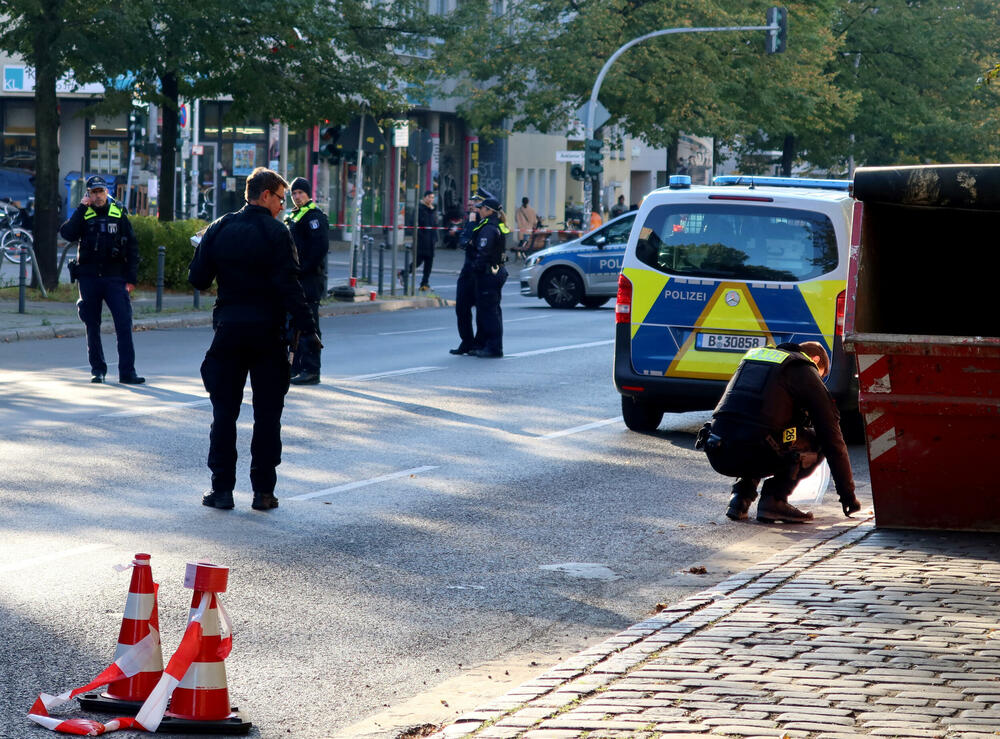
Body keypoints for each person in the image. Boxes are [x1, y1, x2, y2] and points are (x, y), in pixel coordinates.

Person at [189, 167, 320, 512]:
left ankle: (221, 491)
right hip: (267, 335)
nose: (283, 206)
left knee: (223, 415)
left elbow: (198, 278)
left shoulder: (220, 227)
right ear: (265, 195)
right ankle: (263, 493)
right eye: (280, 198)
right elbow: (291, 288)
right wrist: (309, 330)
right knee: (267, 417)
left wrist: (206, 248)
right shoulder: (277, 234)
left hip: (229, 333)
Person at [697, 341, 861, 524]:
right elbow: (833, 439)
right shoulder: (804, 369)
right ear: (815, 360)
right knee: (816, 440)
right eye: (820, 375)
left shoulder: (757, 358)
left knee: (760, 427)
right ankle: (774, 500)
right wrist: (848, 495)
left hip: (718, 447)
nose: (818, 380)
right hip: (757, 450)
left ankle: (739, 499)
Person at [59, 175, 144, 385]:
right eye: (93, 192)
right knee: (92, 324)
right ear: (88, 194)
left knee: (123, 324)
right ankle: (98, 370)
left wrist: (131, 278)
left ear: (107, 192)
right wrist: (80, 208)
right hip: (89, 278)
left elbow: (132, 247)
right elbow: (67, 234)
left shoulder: (118, 213)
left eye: (100, 192)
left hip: (115, 278)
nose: (97, 196)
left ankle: (127, 372)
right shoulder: (84, 214)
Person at [284, 176, 329, 386]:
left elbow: (319, 249)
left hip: (309, 279)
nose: (297, 196)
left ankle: (312, 369)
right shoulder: (293, 216)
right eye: (294, 193)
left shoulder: (314, 216)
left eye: (300, 193)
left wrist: (302, 270)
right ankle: (296, 367)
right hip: (295, 278)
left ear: (308, 194)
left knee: (309, 325)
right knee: (293, 325)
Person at [469, 197, 509, 358]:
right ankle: (487, 344)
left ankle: (493, 347)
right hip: (496, 271)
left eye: (482, 208)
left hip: (489, 273)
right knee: (491, 310)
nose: (479, 210)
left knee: (489, 312)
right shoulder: (496, 225)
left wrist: (475, 268)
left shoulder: (489, 228)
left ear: (489, 211)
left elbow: (483, 252)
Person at [450, 191, 486, 355]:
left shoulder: (488, 223)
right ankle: (466, 341)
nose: (471, 205)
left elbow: (476, 243)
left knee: (482, 310)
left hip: (481, 271)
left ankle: (479, 343)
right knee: (462, 307)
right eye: (471, 202)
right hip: (468, 270)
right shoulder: (470, 220)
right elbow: (464, 241)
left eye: (476, 202)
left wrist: (471, 229)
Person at [412, 190, 437, 291]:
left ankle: (424, 283)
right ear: (424, 197)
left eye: (432, 198)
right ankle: (403, 273)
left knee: (429, 263)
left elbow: (435, 224)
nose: (431, 199)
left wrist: (435, 238)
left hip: (431, 241)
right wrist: (419, 236)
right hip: (422, 241)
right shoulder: (419, 208)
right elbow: (413, 223)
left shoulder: (432, 209)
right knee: (417, 262)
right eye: (429, 197)